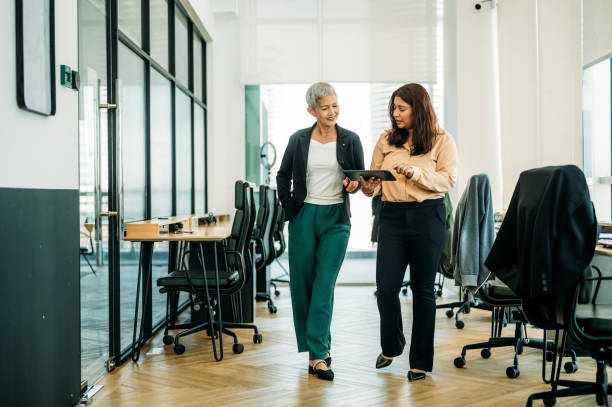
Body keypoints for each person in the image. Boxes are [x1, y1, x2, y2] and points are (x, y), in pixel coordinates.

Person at [361, 83, 458, 381]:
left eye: (402, 108)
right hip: (391, 217)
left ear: (419, 108)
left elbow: (448, 181)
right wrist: (368, 186)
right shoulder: (386, 140)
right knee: (386, 288)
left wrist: (416, 172)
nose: (395, 113)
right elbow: (373, 181)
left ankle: (421, 362)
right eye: (393, 108)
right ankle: (391, 345)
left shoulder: (442, 140)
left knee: (423, 290)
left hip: (427, 217)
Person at [276, 82, 365, 381]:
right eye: (325, 107)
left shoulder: (350, 139)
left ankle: (317, 355)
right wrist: (291, 212)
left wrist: (355, 184)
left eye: (335, 105)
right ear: (311, 110)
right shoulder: (299, 139)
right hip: (304, 215)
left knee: (324, 284)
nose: (332, 112)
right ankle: (320, 348)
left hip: (336, 218)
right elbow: (283, 175)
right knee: (303, 286)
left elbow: (359, 178)